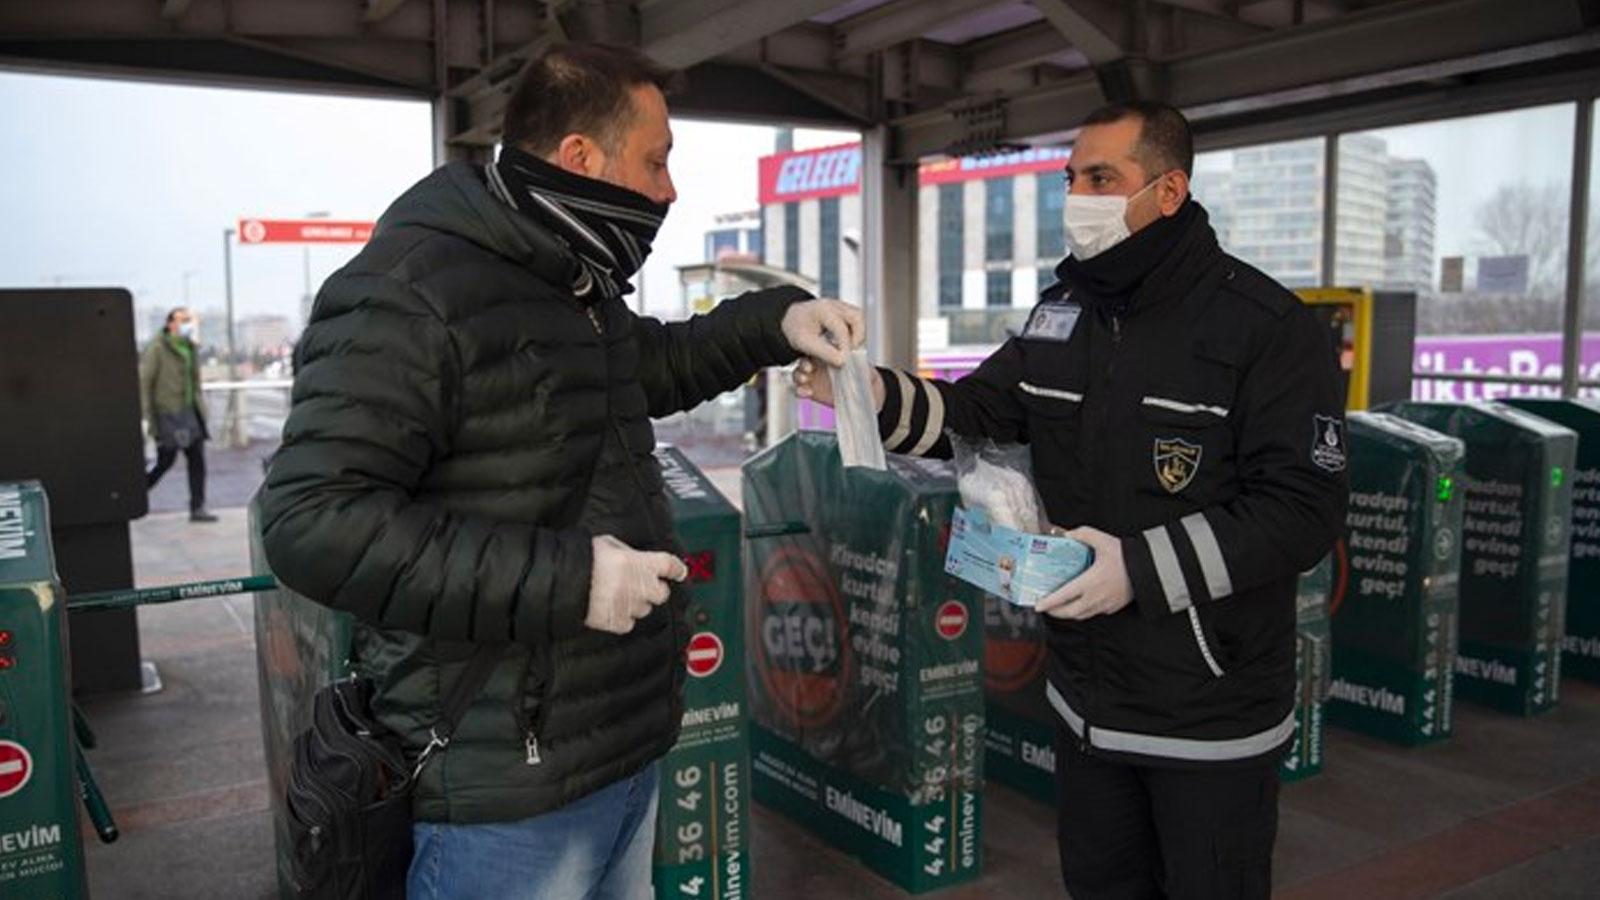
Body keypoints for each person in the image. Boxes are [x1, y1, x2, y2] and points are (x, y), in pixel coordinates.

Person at [258, 42, 863, 900]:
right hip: (505, 787)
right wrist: (571, 579)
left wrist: (777, 322)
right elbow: (311, 521)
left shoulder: (569, 284)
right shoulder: (410, 291)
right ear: (580, 157)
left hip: (617, 751)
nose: (669, 190)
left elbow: (651, 365)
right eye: (656, 161)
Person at [796, 102, 1348, 899]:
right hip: (1084, 703)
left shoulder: (1265, 327)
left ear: (1168, 190)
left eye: (1101, 178)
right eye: (1070, 178)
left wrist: (1138, 568)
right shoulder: (1063, 314)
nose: (1077, 196)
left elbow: (1302, 508)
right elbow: (979, 413)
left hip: (1208, 715)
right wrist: (867, 392)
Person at [141, 306, 217, 522]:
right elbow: (145, 382)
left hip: (191, 412)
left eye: (189, 320)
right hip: (169, 413)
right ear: (170, 323)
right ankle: (137, 493)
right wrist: (148, 417)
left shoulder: (190, 347)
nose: (188, 324)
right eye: (183, 320)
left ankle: (198, 507)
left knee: (197, 459)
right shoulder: (157, 348)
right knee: (165, 460)